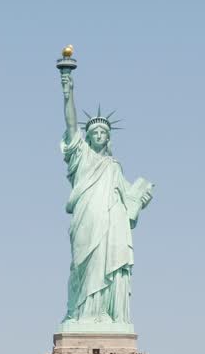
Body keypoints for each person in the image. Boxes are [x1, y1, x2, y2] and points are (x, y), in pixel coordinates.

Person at [58, 69, 152, 329]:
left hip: (110, 225)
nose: (99, 135)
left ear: (108, 138)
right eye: (94, 132)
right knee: (83, 265)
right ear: (87, 137)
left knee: (104, 263)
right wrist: (68, 93)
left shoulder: (113, 167)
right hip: (86, 219)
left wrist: (140, 197)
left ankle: (103, 314)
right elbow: (70, 124)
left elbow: (129, 199)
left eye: (103, 133)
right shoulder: (82, 157)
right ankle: (81, 313)